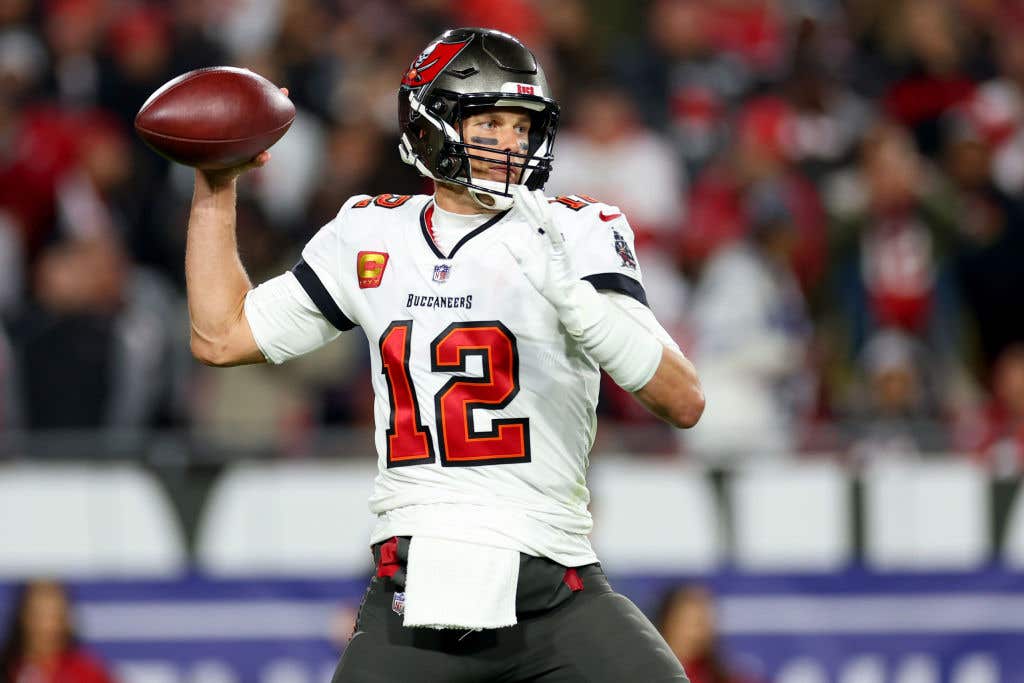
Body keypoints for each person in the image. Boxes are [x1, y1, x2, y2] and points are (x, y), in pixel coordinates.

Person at [184, 27, 704, 682]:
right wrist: (215, 186)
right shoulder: (371, 233)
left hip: (554, 583)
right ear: (432, 124)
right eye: (491, 121)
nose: (514, 141)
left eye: (523, 125)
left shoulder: (575, 230)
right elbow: (221, 335)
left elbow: (682, 398)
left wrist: (578, 301)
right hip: (415, 591)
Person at [0, 580, 115, 683]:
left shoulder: (89, 672)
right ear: (23, 616)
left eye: (54, 616)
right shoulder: (8, 668)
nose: (46, 626)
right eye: (39, 615)